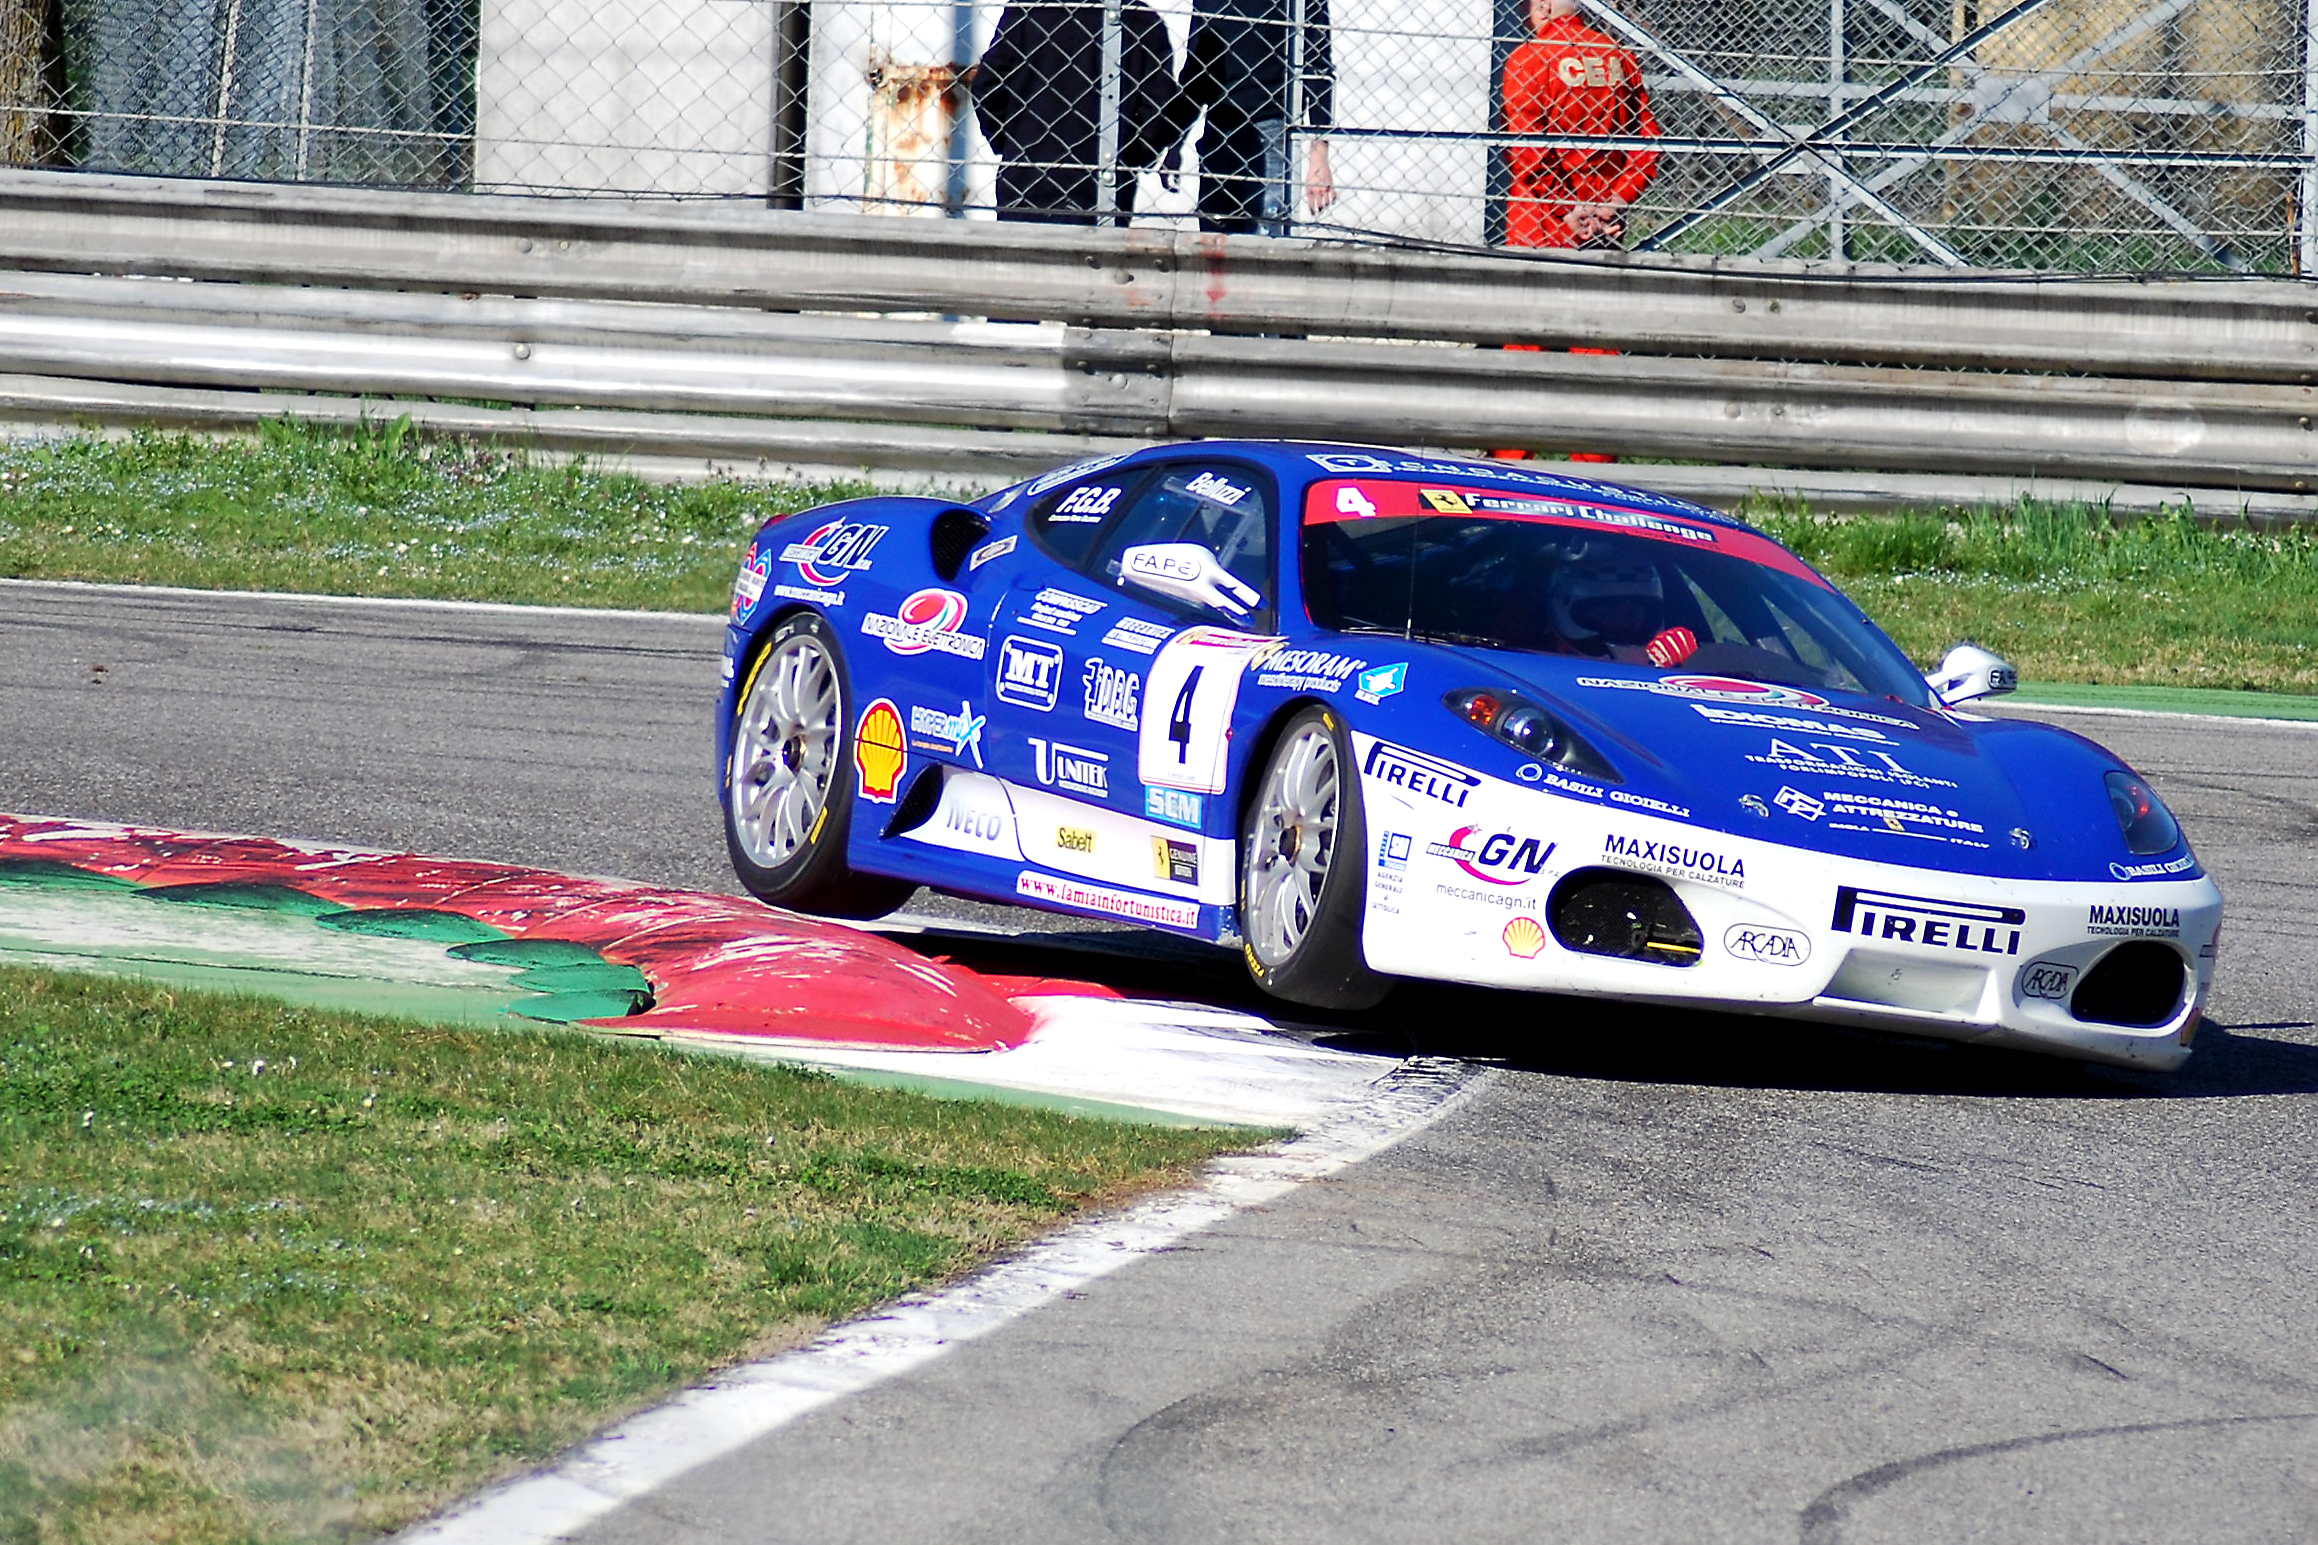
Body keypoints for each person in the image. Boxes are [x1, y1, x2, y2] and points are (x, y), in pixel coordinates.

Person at [972, 0, 1179, 224]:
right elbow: (1159, 112)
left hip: (1027, 177)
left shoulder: (1031, 8)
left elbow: (987, 86)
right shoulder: (1140, 18)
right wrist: (1132, 157)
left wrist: (1013, 143)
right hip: (1106, 183)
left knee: (1021, 252)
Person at [1163, 0, 1335, 235]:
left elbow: (1319, 71)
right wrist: (1175, 139)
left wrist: (1319, 155)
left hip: (1272, 126)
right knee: (1214, 236)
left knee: (1266, 236)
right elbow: (1198, 70)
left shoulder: (1299, 4)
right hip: (1220, 127)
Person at [1500, 0, 1660, 250]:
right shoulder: (1618, 55)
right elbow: (1647, 141)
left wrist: (1567, 208)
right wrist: (1618, 200)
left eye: (1526, 7)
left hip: (1543, 221)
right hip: (1606, 215)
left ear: (1544, 6)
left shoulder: (1529, 58)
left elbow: (1525, 149)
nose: (1524, 16)